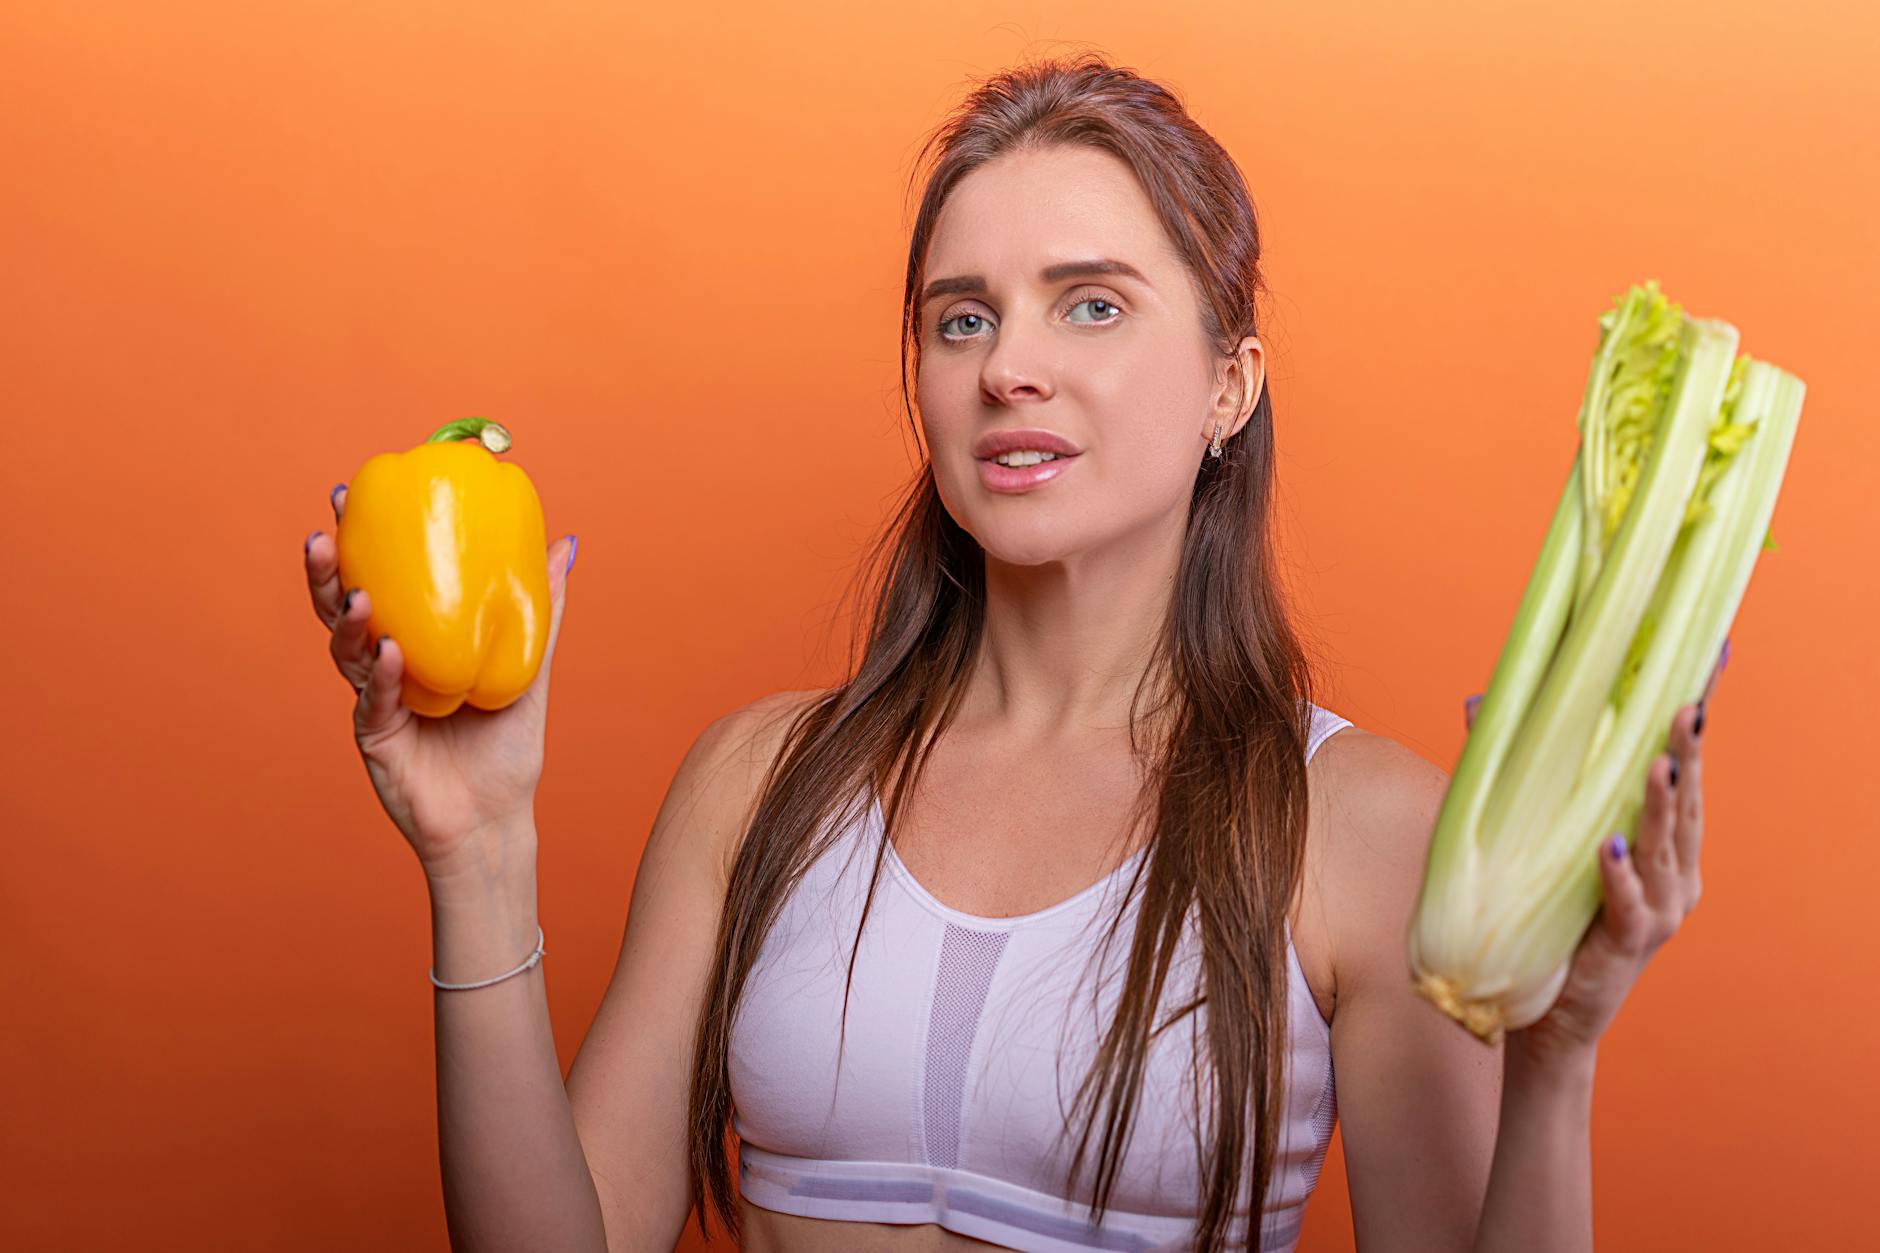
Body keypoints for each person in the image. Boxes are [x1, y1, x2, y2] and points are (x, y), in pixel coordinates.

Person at [302, 53, 1725, 1253]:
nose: (1007, 366)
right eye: (960, 317)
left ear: (1232, 381)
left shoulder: (1365, 830)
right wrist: (476, 856)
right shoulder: (758, 779)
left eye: (1091, 302)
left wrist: (1555, 1059)